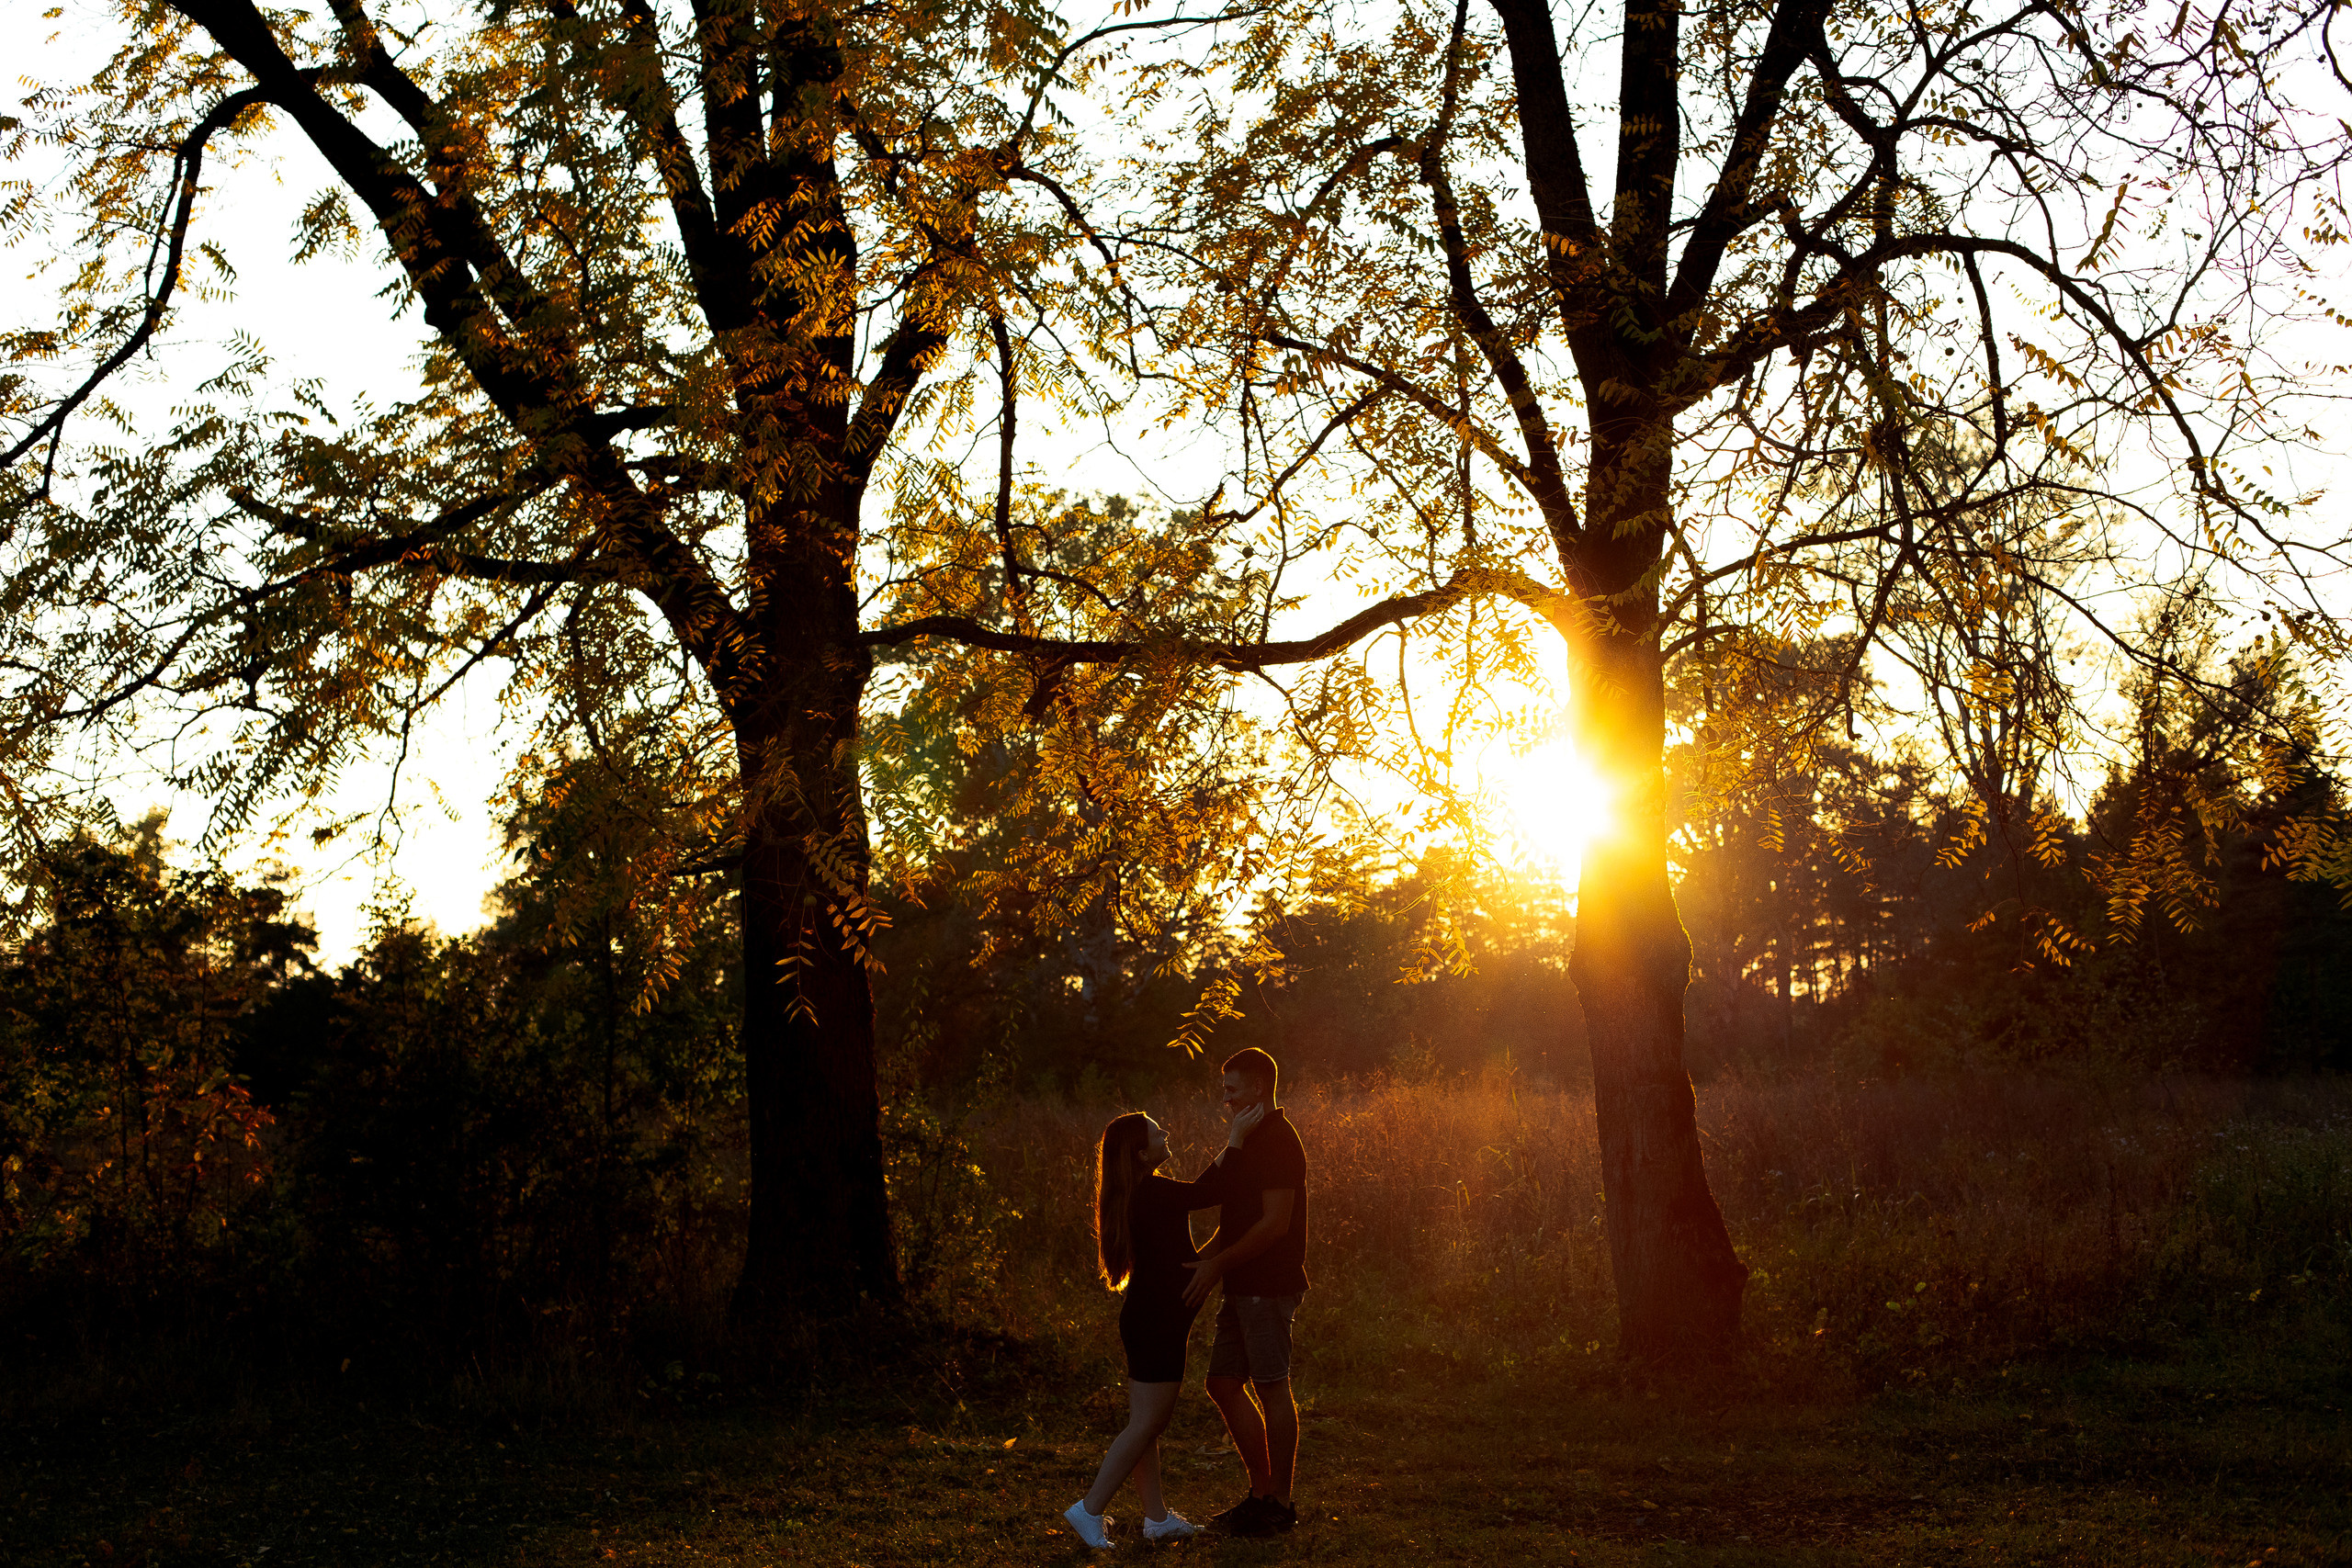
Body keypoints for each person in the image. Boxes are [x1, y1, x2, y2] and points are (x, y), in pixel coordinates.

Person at [1062, 1104, 1264, 1550]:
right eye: (1157, 1133)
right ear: (1139, 1153)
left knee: (1146, 1424)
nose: (1165, 1133)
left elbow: (1199, 1190)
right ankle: (1090, 1508)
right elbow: (1209, 1192)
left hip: (1150, 1321)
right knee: (1147, 1424)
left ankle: (1156, 1519)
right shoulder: (1150, 1192)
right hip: (1154, 1324)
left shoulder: (1145, 1191)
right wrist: (1235, 1140)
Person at [1182, 1046, 1310, 1537]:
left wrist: (1217, 1265)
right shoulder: (1249, 1138)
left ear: (1259, 1086)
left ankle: (1279, 1500)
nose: (1226, 1098)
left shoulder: (1279, 1140)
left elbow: (1275, 1225)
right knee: (1221, 1383)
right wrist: (1204, 1260)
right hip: (1240, 1282)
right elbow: (1235, 1221)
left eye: (1232, 1089)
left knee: (1272, 1385)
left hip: (1269, 1284)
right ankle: (1260, 1493)